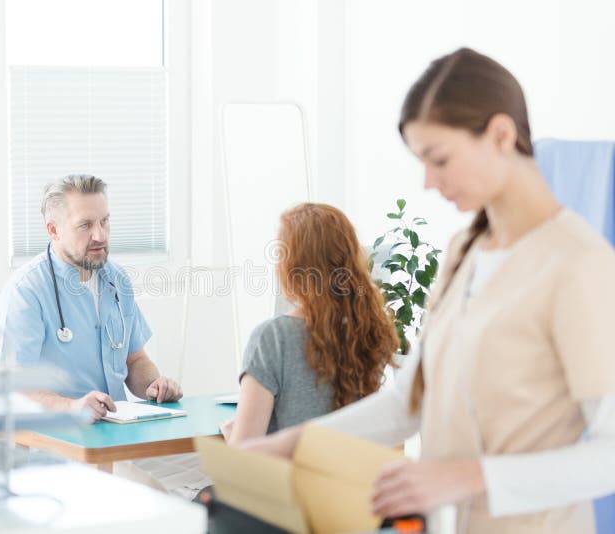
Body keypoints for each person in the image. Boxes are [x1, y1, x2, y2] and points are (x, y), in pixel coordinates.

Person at [242, 48, 615, 533]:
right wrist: (290, 445)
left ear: (501, 134)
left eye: (438, 159)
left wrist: (466, 478)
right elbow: (408, 402)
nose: (427, 181)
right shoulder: (465, 250)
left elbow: (607, 455)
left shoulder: (578, 264)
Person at [0, 174, 182, 419]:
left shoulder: (117, 279)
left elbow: (135, 360)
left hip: (117, 432)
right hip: (55, 439)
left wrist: (154, 385)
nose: (100, 235)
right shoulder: (26, 291)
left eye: (104, 222)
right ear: (53, 230)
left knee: (201, 451)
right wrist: (71, 407)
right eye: (85, 225)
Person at [220, 203, 399, 445]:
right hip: (349, 481)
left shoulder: (272, 338)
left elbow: (243, 457)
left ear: (292, 267)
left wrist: (232, 435)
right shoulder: (368, 331)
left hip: (285, 482)